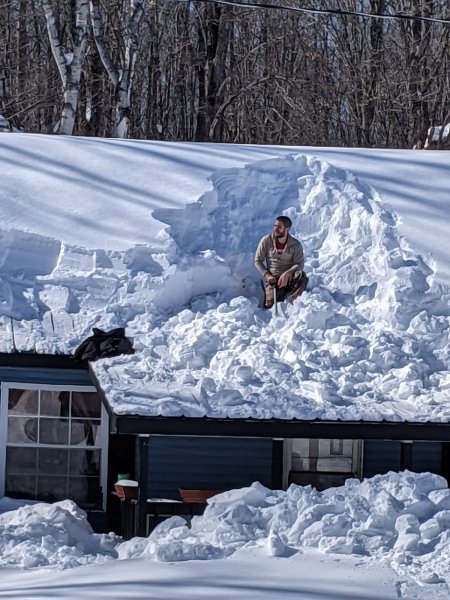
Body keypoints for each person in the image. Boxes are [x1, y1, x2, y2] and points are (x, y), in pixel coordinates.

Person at [254, 216, 308, 308]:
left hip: (290, 279)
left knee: (302, 276)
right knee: (270, 306)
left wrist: (287, 273)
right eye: (275, 226)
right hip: (273, 280)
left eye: (279, 227)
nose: (275, 229)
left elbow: (299, 264)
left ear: (287, 229)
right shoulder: (266, 241)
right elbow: (258, 261)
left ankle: (294, 302)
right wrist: (267, 275)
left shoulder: (295, 244)